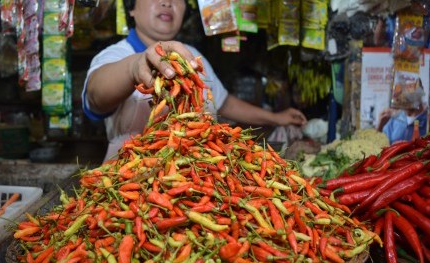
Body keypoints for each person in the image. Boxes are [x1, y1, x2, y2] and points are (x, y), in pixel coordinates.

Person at [82, 0, 307, 162]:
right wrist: (134, 66)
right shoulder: (115, 55)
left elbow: (224, 103)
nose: (168, 3)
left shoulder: (191, 56)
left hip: (197, 176)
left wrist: (276, 118)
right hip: (131, 175)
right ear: (131, 8)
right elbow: (95, 96)